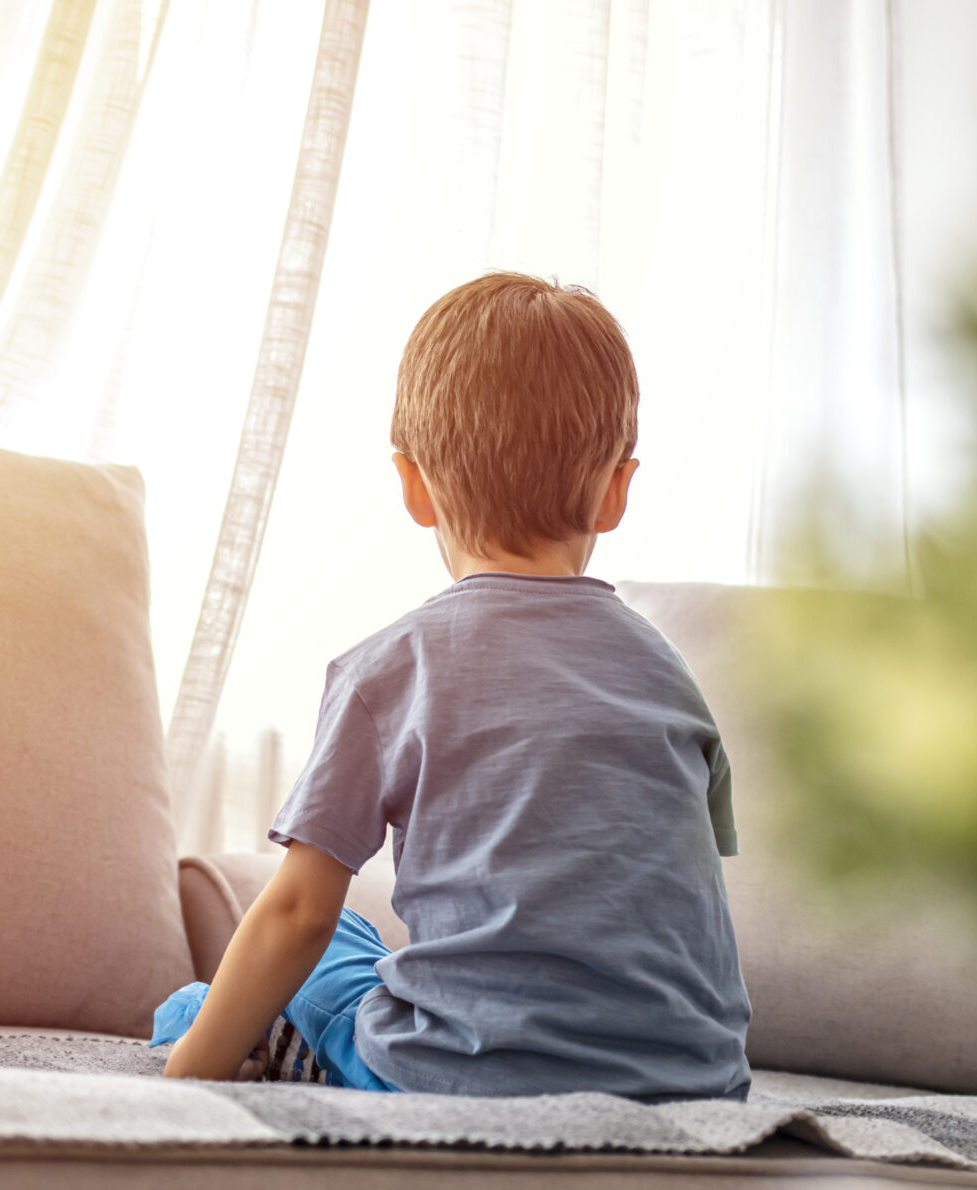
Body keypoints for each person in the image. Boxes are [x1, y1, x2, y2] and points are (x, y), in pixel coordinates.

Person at [154, 272, 751, 1101]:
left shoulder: (391, 669)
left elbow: (297, 915)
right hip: (692, 1089)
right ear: (617, 489)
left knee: (261, 977)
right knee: (370, 946)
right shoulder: (670, 676)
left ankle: (231, 1041)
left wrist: (178, 1091)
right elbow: (682, 896)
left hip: (463, 1087)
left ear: (413, 484)